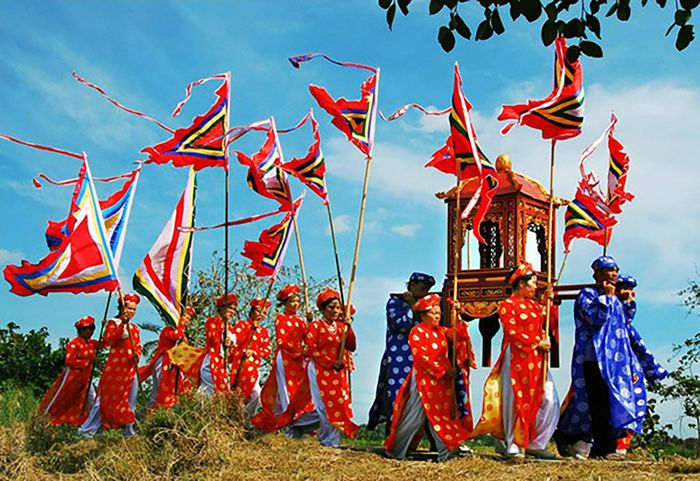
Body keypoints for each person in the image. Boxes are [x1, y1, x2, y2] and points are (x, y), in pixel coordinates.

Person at [555, 256, 648, 459]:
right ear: (597, 273)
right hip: (594, 358)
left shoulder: (614, 298)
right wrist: (606, 298)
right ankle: (597, 446)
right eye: (609, 269)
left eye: (616, 269)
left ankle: (608, 446)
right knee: (596, 403)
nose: (614, 273)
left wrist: (627, 302)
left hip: (615, 362)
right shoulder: (587, 295)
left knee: (614, 401)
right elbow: (595, 319)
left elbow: (624, 323)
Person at [471, 263, 559, 459]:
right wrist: (537, 343)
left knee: (549, 399)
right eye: (533, 283)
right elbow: (512, 333)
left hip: (537, 358)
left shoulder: (536, 306)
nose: (536, 287)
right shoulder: (507, 305)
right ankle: (512, 444)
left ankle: (537, 443)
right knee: (515, 400)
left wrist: (549, 304)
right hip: (517, 356)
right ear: (521, 284)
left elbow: (548, 324)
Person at [384, 293, 471, 462]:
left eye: (439, 313)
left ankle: (446, 451)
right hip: (424, 381)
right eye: (434, 313)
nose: (438, 316)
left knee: (441, 415)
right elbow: (422, 358)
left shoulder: (441, 332)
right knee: (415, 416)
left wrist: (457, 315)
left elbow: (458, 336)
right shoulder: (416, 332)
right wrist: (444, 370)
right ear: (423, 314)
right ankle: (396, 450)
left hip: (441, 382)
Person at [367, 272, 435, 434]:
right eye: (423, 288)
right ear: (411, 285)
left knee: (423, 397)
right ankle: (394, 436)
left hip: (421, 358)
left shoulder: (427, 306)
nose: (425, 291)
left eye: (428, 289)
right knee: (398, 395)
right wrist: (413, 306)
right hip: (399, 358)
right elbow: (402, 325)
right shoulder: (395, 303)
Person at [613, 274, 669, 456]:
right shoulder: (609, 310)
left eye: (628, 289)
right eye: (621, 288)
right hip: (611, 363)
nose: (624, 293)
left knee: (632, 403)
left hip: (629, 364)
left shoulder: (627, 325)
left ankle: (621, 446)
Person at [252, 284, 315, 433]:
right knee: (287, 388)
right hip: (286, 356)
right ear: (285, 303)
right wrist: (299, 352)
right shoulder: (280, 318)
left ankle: (276, 420)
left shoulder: (301, 321)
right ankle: (293, 425)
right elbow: (282, 341)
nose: (296, 304)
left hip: (299, 358)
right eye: (292, 301)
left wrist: (310, 322)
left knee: (298, 389)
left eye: (297, 301)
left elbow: (310, 339)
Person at [79, 293, 142, 437]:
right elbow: (110, 340)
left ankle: (129, 431)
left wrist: (137, 355)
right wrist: (122, 325)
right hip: (115, 368)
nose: (131, 312)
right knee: (104, 399)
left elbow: (137, 345)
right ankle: (88, 429)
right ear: (121, 308)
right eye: (129, 308)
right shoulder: (113, 323)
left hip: (131, 368)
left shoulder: (134, 327)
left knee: (130, 399)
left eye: (134, 309)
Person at [304, 288, 359, 447]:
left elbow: (352, 346)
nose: (335, 311)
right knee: (323, 405)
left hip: (337, 371)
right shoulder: (315, 326)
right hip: (319, 369)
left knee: (337, 403)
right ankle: (327, 439)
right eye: (331, 307)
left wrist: (349, 328)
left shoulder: (341, 327)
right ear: (322, 309)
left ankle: (331, 440)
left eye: (337, 308)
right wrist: (330, 362)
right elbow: (311, 350)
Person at [38, 315, 98, 426]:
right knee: (63, 398)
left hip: (86, 377)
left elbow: (104, 343)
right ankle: (46, 419)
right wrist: (88, 362)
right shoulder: (73, 344)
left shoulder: (91, 344)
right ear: (81, 331)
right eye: (88, 329)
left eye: (92, 329)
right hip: (73, 378)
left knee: (91, 398)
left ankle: (90, 423)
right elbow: (69, 361)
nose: (91, 332)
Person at [139, 306, 195, 410]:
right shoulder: (168, 330)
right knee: (160, 390)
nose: (187, 321)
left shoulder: (183, 336)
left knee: (174, 391)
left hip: (175, 367)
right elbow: (175, 336)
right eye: (185, 317)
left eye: (189, 319)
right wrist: (181, 325)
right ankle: (147, 414)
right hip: (164, 363)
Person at [229, 298, 272, 416]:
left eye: (264, 313)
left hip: (254, 368)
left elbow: (267, 350)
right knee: (238, 395)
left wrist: (254, 352)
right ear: (252, 311)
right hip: (240, 366)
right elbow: (234, 342)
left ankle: (245, 419)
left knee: (256, 394)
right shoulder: (242, 325)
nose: (261, 315)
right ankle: (236, 419)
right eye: (258, 311)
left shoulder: (263, 331)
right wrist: (249, 331)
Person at [198, 293, 237, 396]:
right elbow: (213, 339)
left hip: (222, 364)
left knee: (222, 391)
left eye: (234, 309)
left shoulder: (230, 327)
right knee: (211, 389)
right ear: (222, 307)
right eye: (230, 308)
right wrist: (223, 336)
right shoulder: (212, 321)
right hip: (211, 361)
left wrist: (230, 342)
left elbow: (233, 347)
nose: (232, 312)